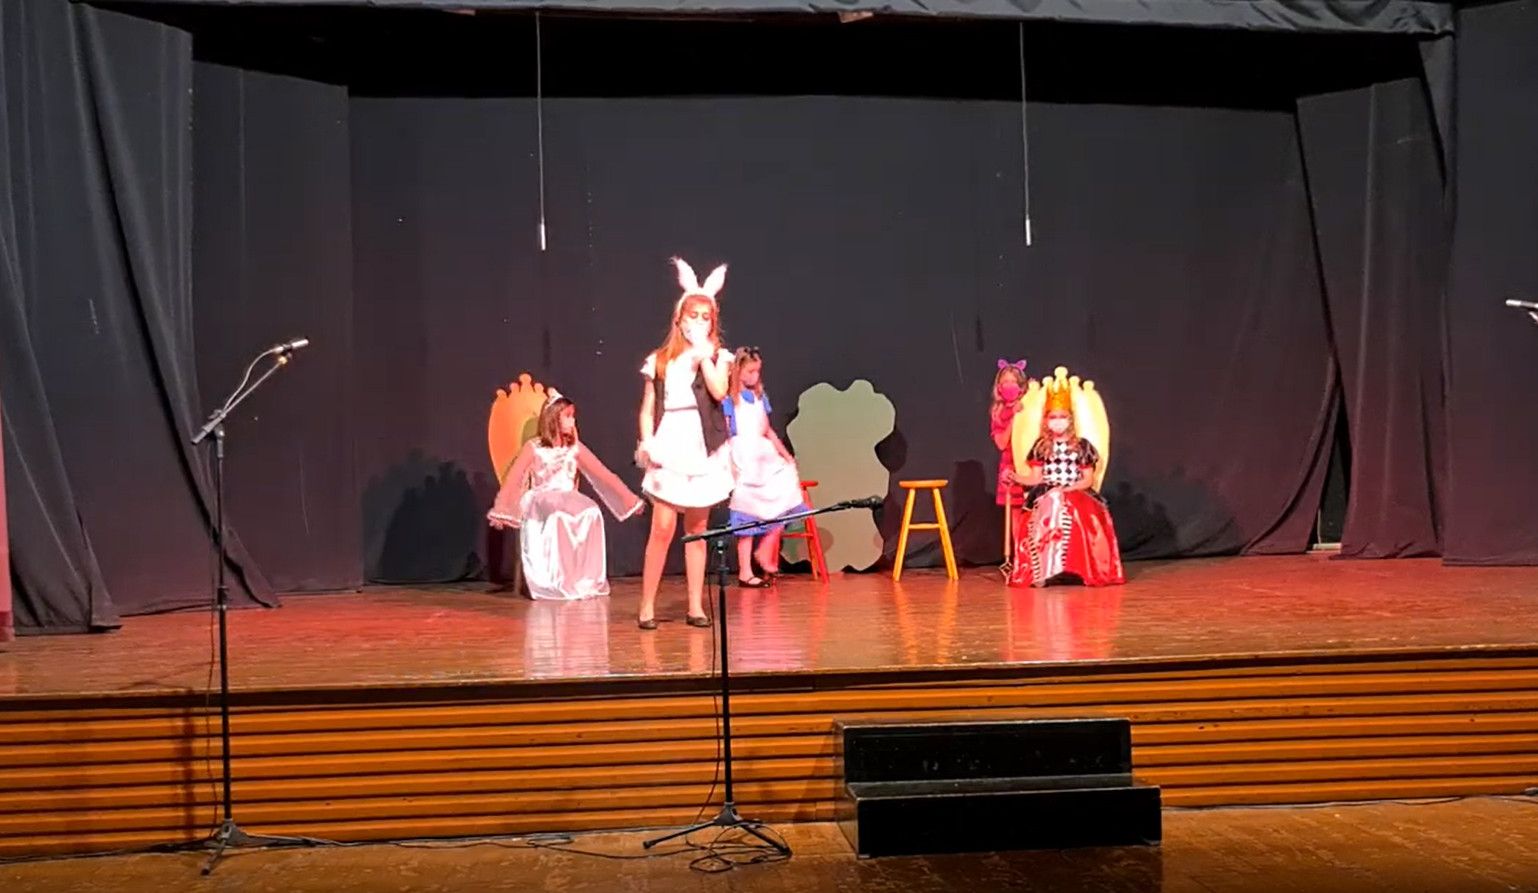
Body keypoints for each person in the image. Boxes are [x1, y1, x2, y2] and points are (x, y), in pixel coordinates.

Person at [635, 257, 735, 630]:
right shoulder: (660, 360)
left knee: (698, 527)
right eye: (693, 316)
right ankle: (647, 605)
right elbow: (648, 407)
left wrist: (704, 353)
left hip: (701, 442)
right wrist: (647, 441)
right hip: (671, 440)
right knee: (662, 527)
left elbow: (719, 391)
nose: (699, 322)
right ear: (679, 319)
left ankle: (695, 605)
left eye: (706, 317)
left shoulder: (718, 357)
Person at [487, 389, 645, 600]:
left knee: (591, 511)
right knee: (558, 515)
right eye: (568, 416)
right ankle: (554, 579)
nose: (572, 421)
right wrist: (502, 508)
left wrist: (629, 499)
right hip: (541, 496)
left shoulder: (574, 448)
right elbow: (514, 478)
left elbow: (604, 475)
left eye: (573, 416)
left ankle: (581, 579)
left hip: (568, 495)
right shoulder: (534, 448)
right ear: (554, 418)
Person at [1007, 377, 1126, 588]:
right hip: (1047, 492)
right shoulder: (1041, 447)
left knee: (1077, 514)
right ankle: (1041, 571)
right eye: (1053, 417)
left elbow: (1087, 479)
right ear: (1046, 420)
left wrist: (1067, 489)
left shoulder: (1082, 446)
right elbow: (1036, 478)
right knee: (1045, 513)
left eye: (1062, 417)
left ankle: (1085, 568)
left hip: (1074, 489)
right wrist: (1015, 478)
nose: (1058, 421)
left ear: (1070, 419)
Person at [722, 347, 806, 587]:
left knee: (786, 495)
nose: (755, 376)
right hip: (743, 455)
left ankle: (766, 548)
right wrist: (728, 462)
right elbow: (726, 433)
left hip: (763, 454)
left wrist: (786, 455)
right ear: (738, 370)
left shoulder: (759, 397)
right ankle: (745, 571)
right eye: (750, 371)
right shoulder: (730, 400)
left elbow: (767, 430)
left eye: (757, 371)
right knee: (746, 509)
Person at [991, 359, 1029, 510]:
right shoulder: (998, 413)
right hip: (1010, 466)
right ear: (999, 387)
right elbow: (1001, 444)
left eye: (1013, 382)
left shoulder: (1028, 405)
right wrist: (1014, 418)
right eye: (1005, 382)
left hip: (1029, 463)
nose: (1009, 386)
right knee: (1015, 512)